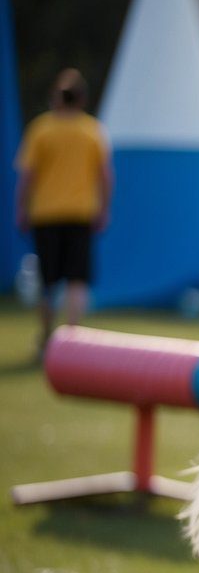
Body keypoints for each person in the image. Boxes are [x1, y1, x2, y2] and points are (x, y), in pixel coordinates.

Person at [14, 69, 113, 357]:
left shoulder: (41, 128)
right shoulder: (92, 130)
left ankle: (47, 339)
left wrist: (21, 208)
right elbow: (105, 176)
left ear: (57, 98)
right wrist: (104, 208)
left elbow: (27, 175)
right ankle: (72, 341)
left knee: (48, 280)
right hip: (81, 214)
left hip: (45, 214)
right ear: (82, 99)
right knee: (77, 280)